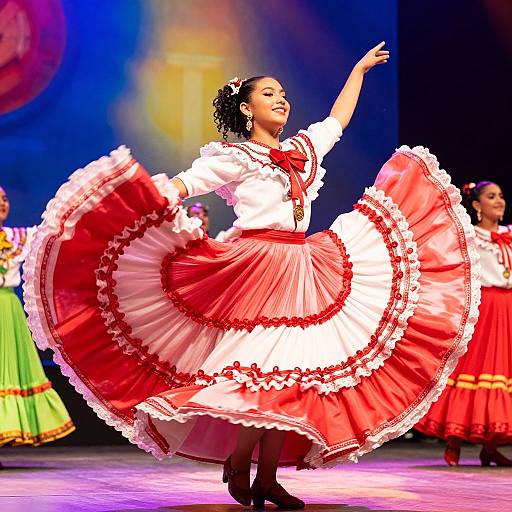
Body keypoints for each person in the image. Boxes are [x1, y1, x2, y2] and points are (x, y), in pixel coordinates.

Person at [23, 43, 479, 508]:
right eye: (269, 93)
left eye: (283, 93)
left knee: (291, 376)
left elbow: (337, 121)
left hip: (304, 267)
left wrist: (358, 71)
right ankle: (247, 466)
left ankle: (262, 475)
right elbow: (185, 184)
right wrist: (144, 199)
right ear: (246, 108)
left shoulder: (302, 150)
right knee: (262, 375)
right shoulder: (234, 158)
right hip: (254, 270)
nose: (282, 99)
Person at [417, 181, 512, 467]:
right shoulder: (470, 235)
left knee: (502, 372)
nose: (499, 201)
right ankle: (455, 438)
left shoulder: (510, 236)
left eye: (501, 196)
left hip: (507, 309)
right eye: (491, 197)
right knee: (473, 367)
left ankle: (490, 446)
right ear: (476, 205)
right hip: (484, 309)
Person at [0, 186, 74, 463]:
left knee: (8, 375)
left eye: (5, 199)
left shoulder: (17, 237)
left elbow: (49, 233)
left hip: (7, 310)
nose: (2, 203)